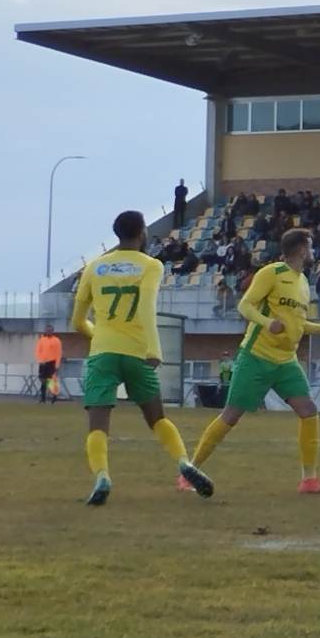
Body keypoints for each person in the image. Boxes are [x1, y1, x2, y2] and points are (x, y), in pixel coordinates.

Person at [192, 228, 320, 495]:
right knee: (231, 416)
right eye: (311, 246)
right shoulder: (272, 272)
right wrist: (268, 323)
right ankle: (190, 471)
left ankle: (309, 480)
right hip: (256, 357)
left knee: (308, 411)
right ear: (302, 249)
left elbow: (299, 324)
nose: (313, 252)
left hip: (285, 361)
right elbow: (245, 305)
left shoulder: (302, 281)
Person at [70, 209, 214, 506]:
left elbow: (77, 321)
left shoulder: (94, 267)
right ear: (142, 232)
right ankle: (184, 463)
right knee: (157, 418)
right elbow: (147, 305)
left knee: (98, 423)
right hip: (137, 352)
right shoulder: (151, 265)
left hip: (103, 352)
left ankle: (102, 477)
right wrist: (154, 348)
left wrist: (97, 334)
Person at [33, 327, 63, 404]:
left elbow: (58, 353)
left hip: (52, 362)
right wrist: (40, 361)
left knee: (52, 380)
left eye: (50, 330)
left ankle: (54, 397)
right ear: (45, 331)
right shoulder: (42, 340)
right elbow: (38, 351)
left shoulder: (56, 341)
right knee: (43, 380)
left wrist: (57, 365)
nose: (48, 332)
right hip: (43, 363)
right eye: (47, 330)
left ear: (53, 331)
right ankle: (43, 398)